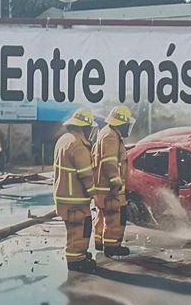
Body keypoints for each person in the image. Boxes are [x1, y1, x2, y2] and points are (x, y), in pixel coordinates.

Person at [52, 109, 99, 272]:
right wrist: (95, 195)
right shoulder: (78, 145)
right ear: (84, 127)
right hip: (75, 199)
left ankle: (79, 254)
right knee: (80, 229)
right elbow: (86, 174)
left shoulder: (64, 140)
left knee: (74, 229)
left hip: (65, 197)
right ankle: (76, 261)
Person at [92, 106, 134, 260]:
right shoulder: (111, 136)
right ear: (120, 123)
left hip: (102, 187)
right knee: (115, 217)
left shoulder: (107, 132)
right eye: (126, 124)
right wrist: (116, 183)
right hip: (110, 188)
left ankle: (100, 242)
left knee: (103, 216)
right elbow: (110, 162)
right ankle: (112, 247)